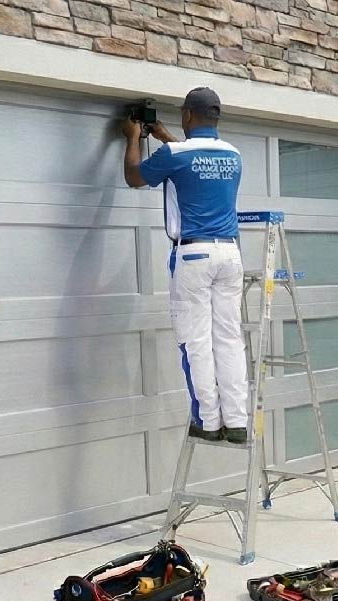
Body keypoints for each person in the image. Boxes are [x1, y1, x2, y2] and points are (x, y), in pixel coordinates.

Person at [122, 87, 248, 443]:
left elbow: (134, 176)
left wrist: (133, 138)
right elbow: (197, 164)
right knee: (228, 338)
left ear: (188, 115)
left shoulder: (175, 154)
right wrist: (165, 137)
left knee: (196, 341)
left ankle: (207, 422)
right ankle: (237, 421)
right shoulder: (233, 154)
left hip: (194, 257)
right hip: (230, 255)